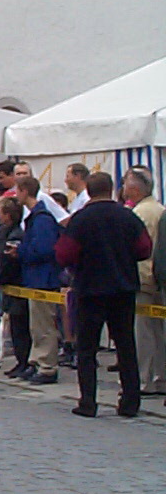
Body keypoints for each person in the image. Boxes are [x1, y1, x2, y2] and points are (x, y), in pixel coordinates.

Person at [56, 172, 152, 418]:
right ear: (111, 189)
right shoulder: (128, 216)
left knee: (87, 348)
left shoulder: (81, 220)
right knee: (125, 345)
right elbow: (144, 248)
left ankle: (88, 401)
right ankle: (130, 401)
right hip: (123, 287)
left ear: (88, 190)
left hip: (90, 288)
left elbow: (65, 254)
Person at [15, 177, 63, 385]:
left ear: (25, 191)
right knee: (36, 325)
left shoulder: (42, 218)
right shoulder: (35, 217)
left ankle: (47, 366)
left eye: (18, 190)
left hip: (43, 278)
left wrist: (21, 251)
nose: (16, 195)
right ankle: (37, 360)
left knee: (44, 325)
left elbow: (44, 249)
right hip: (36, 277)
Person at [124, 167, 166, 396]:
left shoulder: (140, 213)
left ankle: (144, 378)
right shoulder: (159, 209)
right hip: (156, 277)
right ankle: (160, 376)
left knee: (144, 332)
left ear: (134, 189)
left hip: (144, 277)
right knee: (158, 331)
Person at [0, 196, 31, 379]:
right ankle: (20, 360)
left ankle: (24, 361)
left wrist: (1, 277)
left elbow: (10, 261)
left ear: (7, 215)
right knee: (15, 324)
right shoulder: (4, 232)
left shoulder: (14, 235)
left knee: (20, 325)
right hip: (9, 284)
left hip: (16, 283)